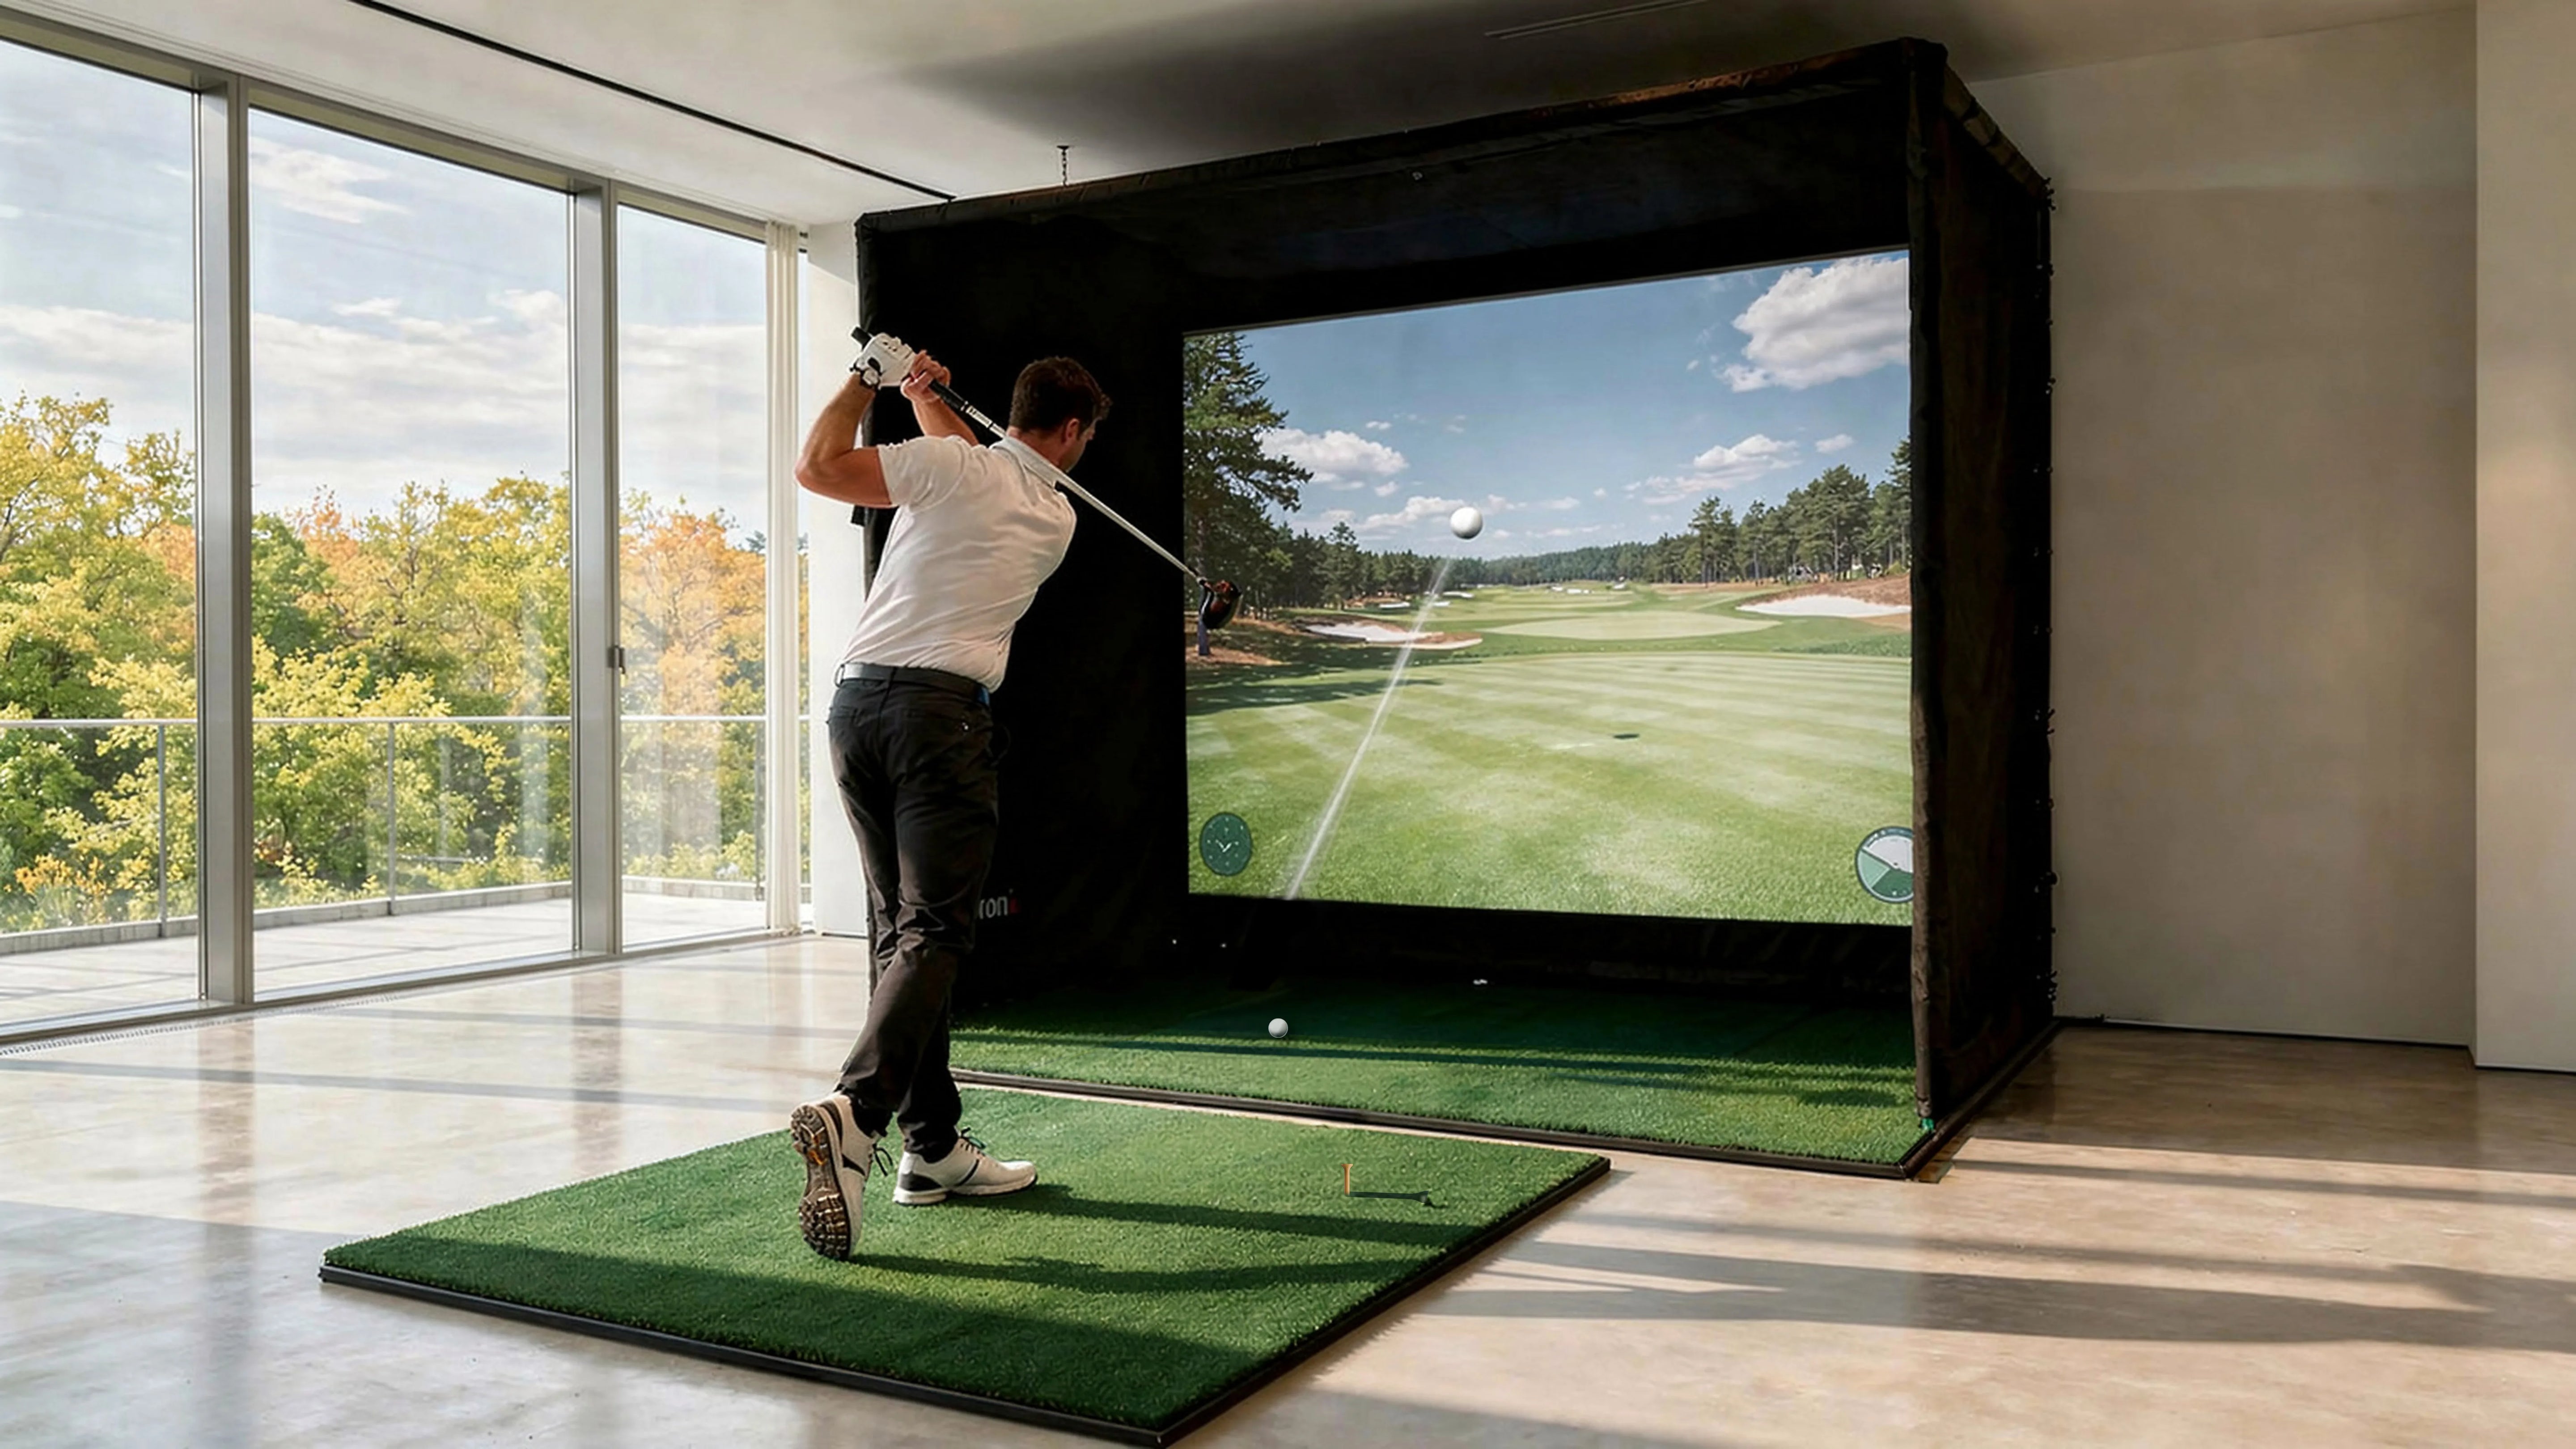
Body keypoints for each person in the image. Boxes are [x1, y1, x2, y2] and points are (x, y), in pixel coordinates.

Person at [786, 337, 1109, 1261]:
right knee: (934, 931)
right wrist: (910, 393)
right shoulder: (1055, 520)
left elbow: (838, 466)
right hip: (939, 721)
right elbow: (948, 475)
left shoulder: (952, 469)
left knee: (900, 934)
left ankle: (930, 1151)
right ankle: (858, 1111)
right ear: (1073, 431)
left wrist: (874, 379)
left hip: (859, 710)